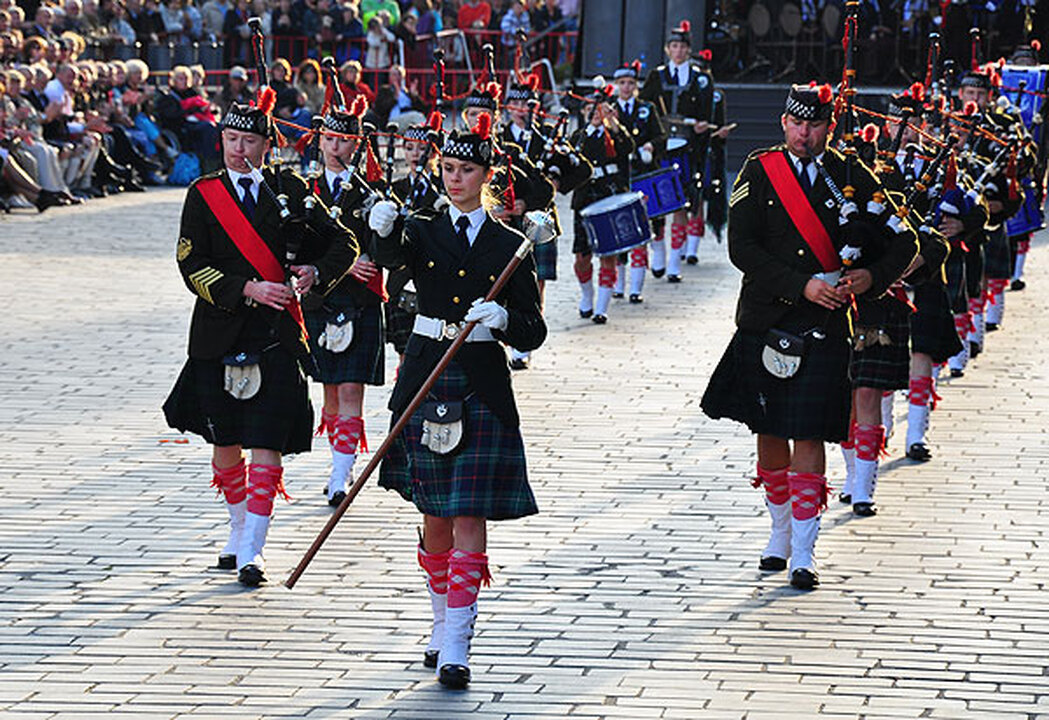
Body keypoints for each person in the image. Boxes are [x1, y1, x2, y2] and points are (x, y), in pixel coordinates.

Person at [700, 84, 917, 590]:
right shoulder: (760, 169)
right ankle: (778, 533)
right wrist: (802, 285)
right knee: (770, 432)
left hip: (827, 326)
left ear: (829, 127)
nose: (805, 133)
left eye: (815, 124)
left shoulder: (851, 173)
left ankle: (803, 549)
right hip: (768, 317)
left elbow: (906, 239)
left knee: (810, 431)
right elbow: (742, 248)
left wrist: (871, 277)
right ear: (784, 123)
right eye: (797, 123)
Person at [368, 111, 547, 689]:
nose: (454, 178)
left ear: (486, 175)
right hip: (427, 374)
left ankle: (458, 641)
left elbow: (533, 328)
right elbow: (391, 258)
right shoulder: (422, 229)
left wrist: (503, 320)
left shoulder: (511, 244)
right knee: (435, 513)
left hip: (479, 382)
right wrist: (381, 228)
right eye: (447, 168)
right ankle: (441, 617)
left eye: (466, 170)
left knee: (468, 512)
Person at [162, 99, 359, 587]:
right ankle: (237, 525)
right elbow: (190, 263)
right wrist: (247, 288)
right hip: (219, 330)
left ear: (268, 145)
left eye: (249, 140)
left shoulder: (290, 190)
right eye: (231, 139)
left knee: (267, 442)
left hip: (276, 335)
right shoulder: (204, 194)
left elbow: (344, 243)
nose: (238, 149)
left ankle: (254, 546)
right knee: (225, 444)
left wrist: (315, 273)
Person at [304, 95, 387, 507]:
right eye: (330, 139)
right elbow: (296, 245)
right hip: (321, 298)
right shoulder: (305, 189)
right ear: (320, 141)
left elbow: (386, 248)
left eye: (344, 140)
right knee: (331, 392)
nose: (335, 147)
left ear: (357, 144)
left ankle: (340, 475)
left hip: (360, 300)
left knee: (352, 388)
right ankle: (341, 460)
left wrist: (381, 236)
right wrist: (343, 263)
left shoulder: (373, 191)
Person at [640, 20, 731, 281]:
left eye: (682, 47)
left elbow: (708, 113)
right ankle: (659, 250)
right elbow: (645, 108)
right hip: (660, 148)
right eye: (674, 46)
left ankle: (675, 262)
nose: (678, 51)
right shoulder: (656, 76)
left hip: (686, 148)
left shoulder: (700, 79)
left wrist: (703, 126)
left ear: (689, 50)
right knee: (655, 204)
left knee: (681, 203)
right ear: (667, 49)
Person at [569, 81, 635, 324]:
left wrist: (613, 122)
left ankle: (601, 307)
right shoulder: (579, 136)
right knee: (581, 257)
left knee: (608, 254)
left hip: (609, 194)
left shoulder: (615, 135)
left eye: (600, 110)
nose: (596, 114)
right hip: (585, 197)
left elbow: (628, 147)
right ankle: (587, 295)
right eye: (591, 110)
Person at [613, 59, 666, 304]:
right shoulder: (609, 109)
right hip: (618, 177)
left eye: (630, 83)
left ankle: (636, 287)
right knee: (619, 230)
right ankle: (617, 284)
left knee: (642, 229)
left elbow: (660, 136)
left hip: (642, 174)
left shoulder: (647, 108)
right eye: (622, 82)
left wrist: (651, 146)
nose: (626, 87)